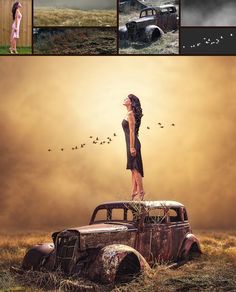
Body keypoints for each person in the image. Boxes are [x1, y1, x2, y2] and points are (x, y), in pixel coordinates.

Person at [122, 94, 145, 200]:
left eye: (127, 98)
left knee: (135, 168)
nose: (124, 99)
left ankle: (141, 192)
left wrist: (132, 147)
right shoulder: (128, 114)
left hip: (133, 143)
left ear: (130, 102)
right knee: (132, 168)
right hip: (130, 143)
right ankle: (134, 191)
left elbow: (131, 131)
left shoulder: (131, 114)